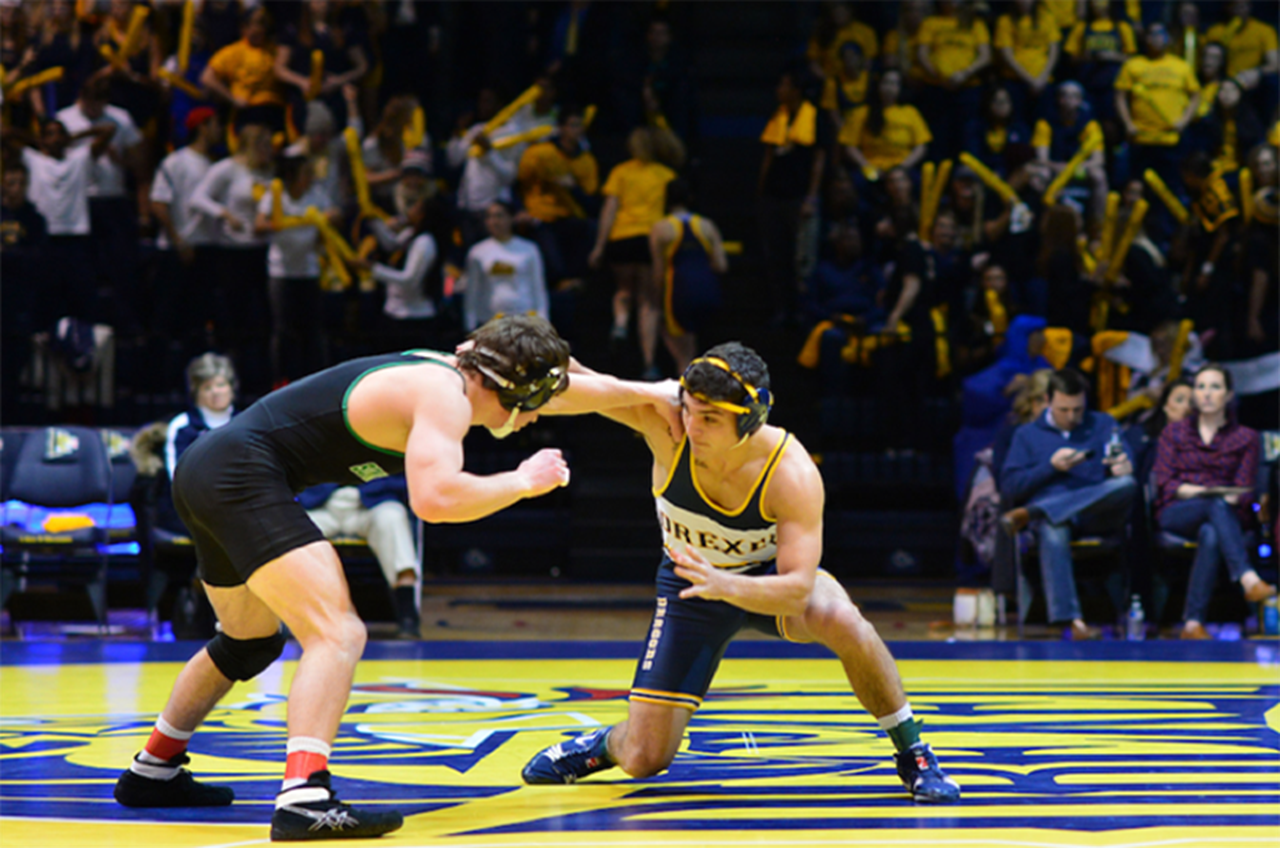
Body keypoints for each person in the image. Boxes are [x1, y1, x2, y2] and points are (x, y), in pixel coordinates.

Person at [112, 314, 681, 839]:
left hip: (208, 469)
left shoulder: (458, 374)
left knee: (247, 641)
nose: (536, 417)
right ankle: (303, 798)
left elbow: (568, 389)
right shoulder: (445, 398)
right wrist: (523, 481)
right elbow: (434, 501)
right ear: (513, 392)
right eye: (533, 406)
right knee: (338, 633)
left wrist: (648, 392)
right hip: (240, 476)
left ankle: (154, 766)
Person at [520, 343, 961, 804]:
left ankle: (913, 751)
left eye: (710, 419)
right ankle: (602, 745)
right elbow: (578, 390)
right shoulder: (668, 427)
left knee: (844, 620)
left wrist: (726, 584)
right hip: (691, 587)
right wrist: (537, 361)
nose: (692, 427)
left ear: (750, 420)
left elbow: (796, 591)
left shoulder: (790, 472)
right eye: (689, 410)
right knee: (645, 758)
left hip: (767, 580)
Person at [999, 367, 1139, 640]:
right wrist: (1050, 467)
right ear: (1049, 401)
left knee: (1127, 484)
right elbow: (1010, 487)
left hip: (1097, 514)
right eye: (1064, 409)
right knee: (1054, 526)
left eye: (1078, 409)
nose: (1073, 417)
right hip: (1056, 518)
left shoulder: (1103, 423)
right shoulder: (1026, 435)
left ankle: (1033, 513)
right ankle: (1071, 621)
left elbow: (1126, 465)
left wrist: (1123, 466)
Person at [1152, 364, 1276, 639]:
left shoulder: (1246, 437)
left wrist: (1201, 490)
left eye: (1215, 387)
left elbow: (1244, 491)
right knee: (1214, 505)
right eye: (1201, 386)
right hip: (1177, 512)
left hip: (1226, 516)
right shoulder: (1174, 434)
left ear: (1229, 395)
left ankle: (1193, 624)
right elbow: (1167, 484)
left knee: (1211, 530)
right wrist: (1207, 492)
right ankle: (1247, 578)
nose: (1207, 394)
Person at [590, 126, 681, 379]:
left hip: (622, 237)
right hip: (650, 239)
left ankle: (619, 324)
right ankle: (649, 360)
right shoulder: (666, 174)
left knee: (623, 289)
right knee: (649, 302)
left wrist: (600, 245)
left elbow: (609, 209)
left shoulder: (620, 172)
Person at [298, 475, 421, 638]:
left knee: (392, 517)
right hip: (320, 504)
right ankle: (289, 618)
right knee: (293, 528)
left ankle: (407, 614)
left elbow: (405, 480)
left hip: (372, 502)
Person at [254, 151, 334, 387]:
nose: (310, 177)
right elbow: (258, 224)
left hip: (309, 270)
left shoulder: (315, 194)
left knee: (313, 330)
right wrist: (282, 223)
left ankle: (316, 380)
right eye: (305, 173)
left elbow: (334, 214)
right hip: (281, 271)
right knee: (283, 330)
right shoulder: (275, 195)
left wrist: (326, 218)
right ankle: (280, 379)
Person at [649, 178, 728, 374]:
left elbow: (659, 272)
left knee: (684, 356)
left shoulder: (661, 228)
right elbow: (721, 265)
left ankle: (685, 400)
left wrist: (656, 302)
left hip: (679, 292)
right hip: (709, 291)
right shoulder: (706, 225)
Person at [1115, 22, 1200, 199]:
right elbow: (1120, 96)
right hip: (1141, 138)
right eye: (1152, 34)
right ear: (1145, 38)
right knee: (1137, 188)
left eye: (1161, 34)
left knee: (1171, 189)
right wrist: (1128, 124)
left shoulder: (1181, 66)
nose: (1156, 38)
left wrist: (1184, 121)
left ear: (1168, 39)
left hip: (1171, 140)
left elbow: (1195, 96)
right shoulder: (1133, 65)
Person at [463, 200, 547, 332]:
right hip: (490, 322)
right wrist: (470, 322)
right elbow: (473, 291)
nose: (494, 221)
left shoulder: (529, 249)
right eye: (489, 217)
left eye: (499, 216)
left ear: (511, 218)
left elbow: (537, 286)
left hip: (523, 319)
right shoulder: (478, 252)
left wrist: (543, 319)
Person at [840, 68, 932, 179]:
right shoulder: (861, 113)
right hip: (870, 167)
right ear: (878, 85)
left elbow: (921, 145)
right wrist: (867, 167)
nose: (890, 88)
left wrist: (902, 167)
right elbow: (849, 146)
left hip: (903, 167)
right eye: (886, 82)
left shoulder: (910, 112)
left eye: (894, 83)